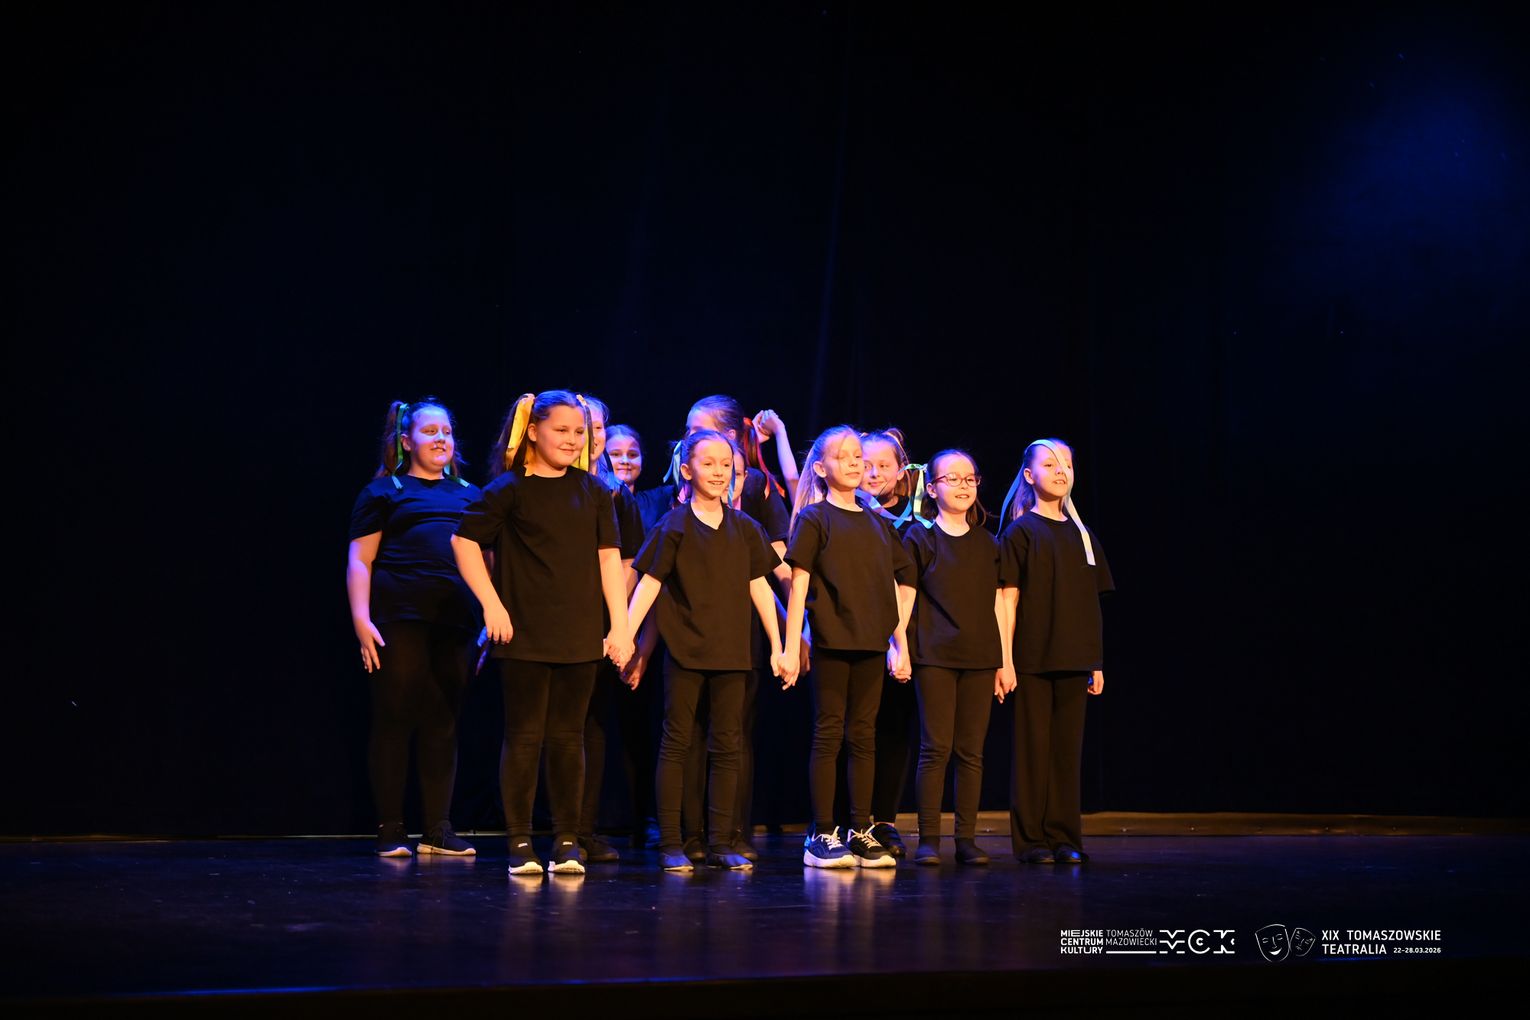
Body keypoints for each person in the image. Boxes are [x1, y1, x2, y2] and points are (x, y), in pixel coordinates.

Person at [452, 390, 634, 876]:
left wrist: (620, 625)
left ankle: (567, 839)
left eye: (579, 432)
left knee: (569, 738)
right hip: (525, 633)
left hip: (580, 632)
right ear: (533, 431)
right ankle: (519, 841)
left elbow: (609, 559)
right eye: (561, 430)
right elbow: (464, 542)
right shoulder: (509, 489)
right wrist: (492, 604)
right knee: (525, 736)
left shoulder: (593, 491)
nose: (572, 440)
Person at [626, 430, 793, 870]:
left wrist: (778, 644)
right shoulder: (674, 525)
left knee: (728, 745)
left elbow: (760, 587)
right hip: (685, 651)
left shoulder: (746, 528)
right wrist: (625, 632)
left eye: (726, 465)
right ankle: (672, 843)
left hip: (733, 652)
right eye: (709, 463)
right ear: (687, 470)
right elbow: (650, 583)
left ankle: (721, 842)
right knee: (677, 742)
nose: (719, 472)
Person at [346, 399, 481, 858]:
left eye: (447, 432)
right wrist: (361, 619)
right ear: (407, 441)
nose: (441, 439)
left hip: (456, 620)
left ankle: (438, 829)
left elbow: (487, 562)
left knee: (443, 721)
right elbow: (360, 560)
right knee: (395, 716)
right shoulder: (385, 491)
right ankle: (390, 827)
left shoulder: (470, 494)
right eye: (430, 432)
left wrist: (489, 615)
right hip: (399, 616)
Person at [784, 426, 916, 868]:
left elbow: (898, 581)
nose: (856, 463)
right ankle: (821, 831)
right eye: (844, 457)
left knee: (863, 736)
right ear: (822, 468)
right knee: (829, 734)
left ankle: (860, 828)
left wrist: (900, 645)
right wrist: (792, 646)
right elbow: (799, 585)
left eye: (858, 455)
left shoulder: (877, 522)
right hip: (832, 641)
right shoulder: (815, 518)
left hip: (871, 643)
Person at [997, 438, 1114, 865]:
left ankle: (1065, 836)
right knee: (1032, 751)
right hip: (1032, 659)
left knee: (1066, 752)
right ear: (1030, 476)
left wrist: (1095, 662)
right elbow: (1006, 600)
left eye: (1066, 463)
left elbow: (1089, 604)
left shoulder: (1082, 535)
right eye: (1050, 464)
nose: (1061, 470)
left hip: (1074, 658)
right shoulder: (1021, 532)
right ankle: (1031, 840)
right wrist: (1005, 660)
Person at [902, 450, 1009, 866]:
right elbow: (906, 598)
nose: (963, 486)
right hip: (935, 656)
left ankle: (966, 838)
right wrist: (900, 648)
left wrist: (1004, 662)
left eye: (970, 479)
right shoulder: (921, 538)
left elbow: (998, 605)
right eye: (952, 479)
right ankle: (929, 838)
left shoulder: (987, 543)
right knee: (935, 748)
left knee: (971, 751)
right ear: (931, 488)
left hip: (980, 656)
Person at [573, 396, 647, 865]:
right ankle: (559, 829)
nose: (594, 436)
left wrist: (618, 621)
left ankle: (584, 830)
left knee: (594, 723)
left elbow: (630, 564)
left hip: (601, 620)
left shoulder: (617, 494)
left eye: (599, 427)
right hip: (558, 615)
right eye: (586, 427)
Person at [858, 427, 926, 858]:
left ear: (902, 471)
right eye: (866, 464)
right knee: (853, 730)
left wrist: (899, 644)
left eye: (884, 465)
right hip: (855, 637)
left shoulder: (916, 522)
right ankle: (850, 818)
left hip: (902, 642)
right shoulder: (842, 511)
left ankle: (884, 820)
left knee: (894, 730)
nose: (874, 473)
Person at [606, 425, 643, 492]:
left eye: (632, 455)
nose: (625, 461)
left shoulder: (656, 497)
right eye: (615, 454)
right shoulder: (589, 496)